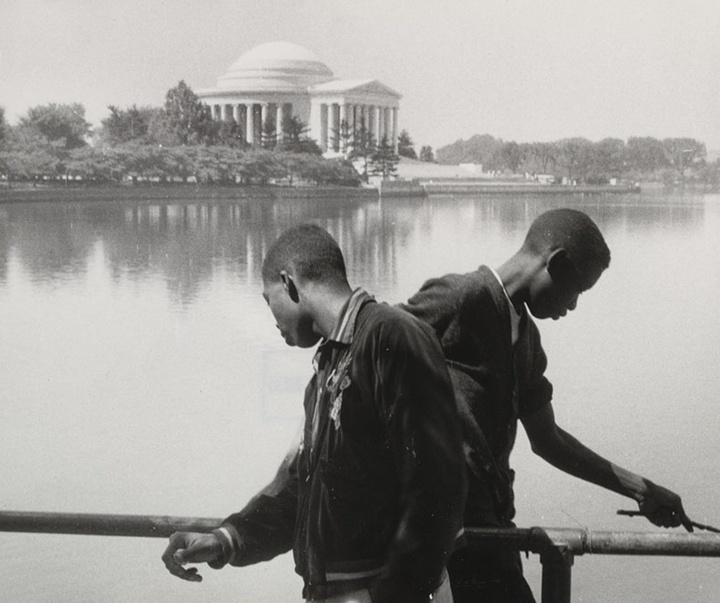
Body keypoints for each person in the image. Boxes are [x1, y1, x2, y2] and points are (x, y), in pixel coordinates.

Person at [162, 224, 466, 602]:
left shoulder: (391, 336)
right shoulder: (329, 365)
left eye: (267, 299)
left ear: (289, 284)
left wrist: (391, 593)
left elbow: (441, 491)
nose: (272, 319)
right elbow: (305, 492)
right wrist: (226, 539)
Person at [400, 208, 692, 603]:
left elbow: (547, 439)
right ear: (553, 263)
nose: (571, 307)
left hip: (492, 536)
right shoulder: (461, 297)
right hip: (443, 540)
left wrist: (640, 489)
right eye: (577, 291)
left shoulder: (527, 343)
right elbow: (371, 346)